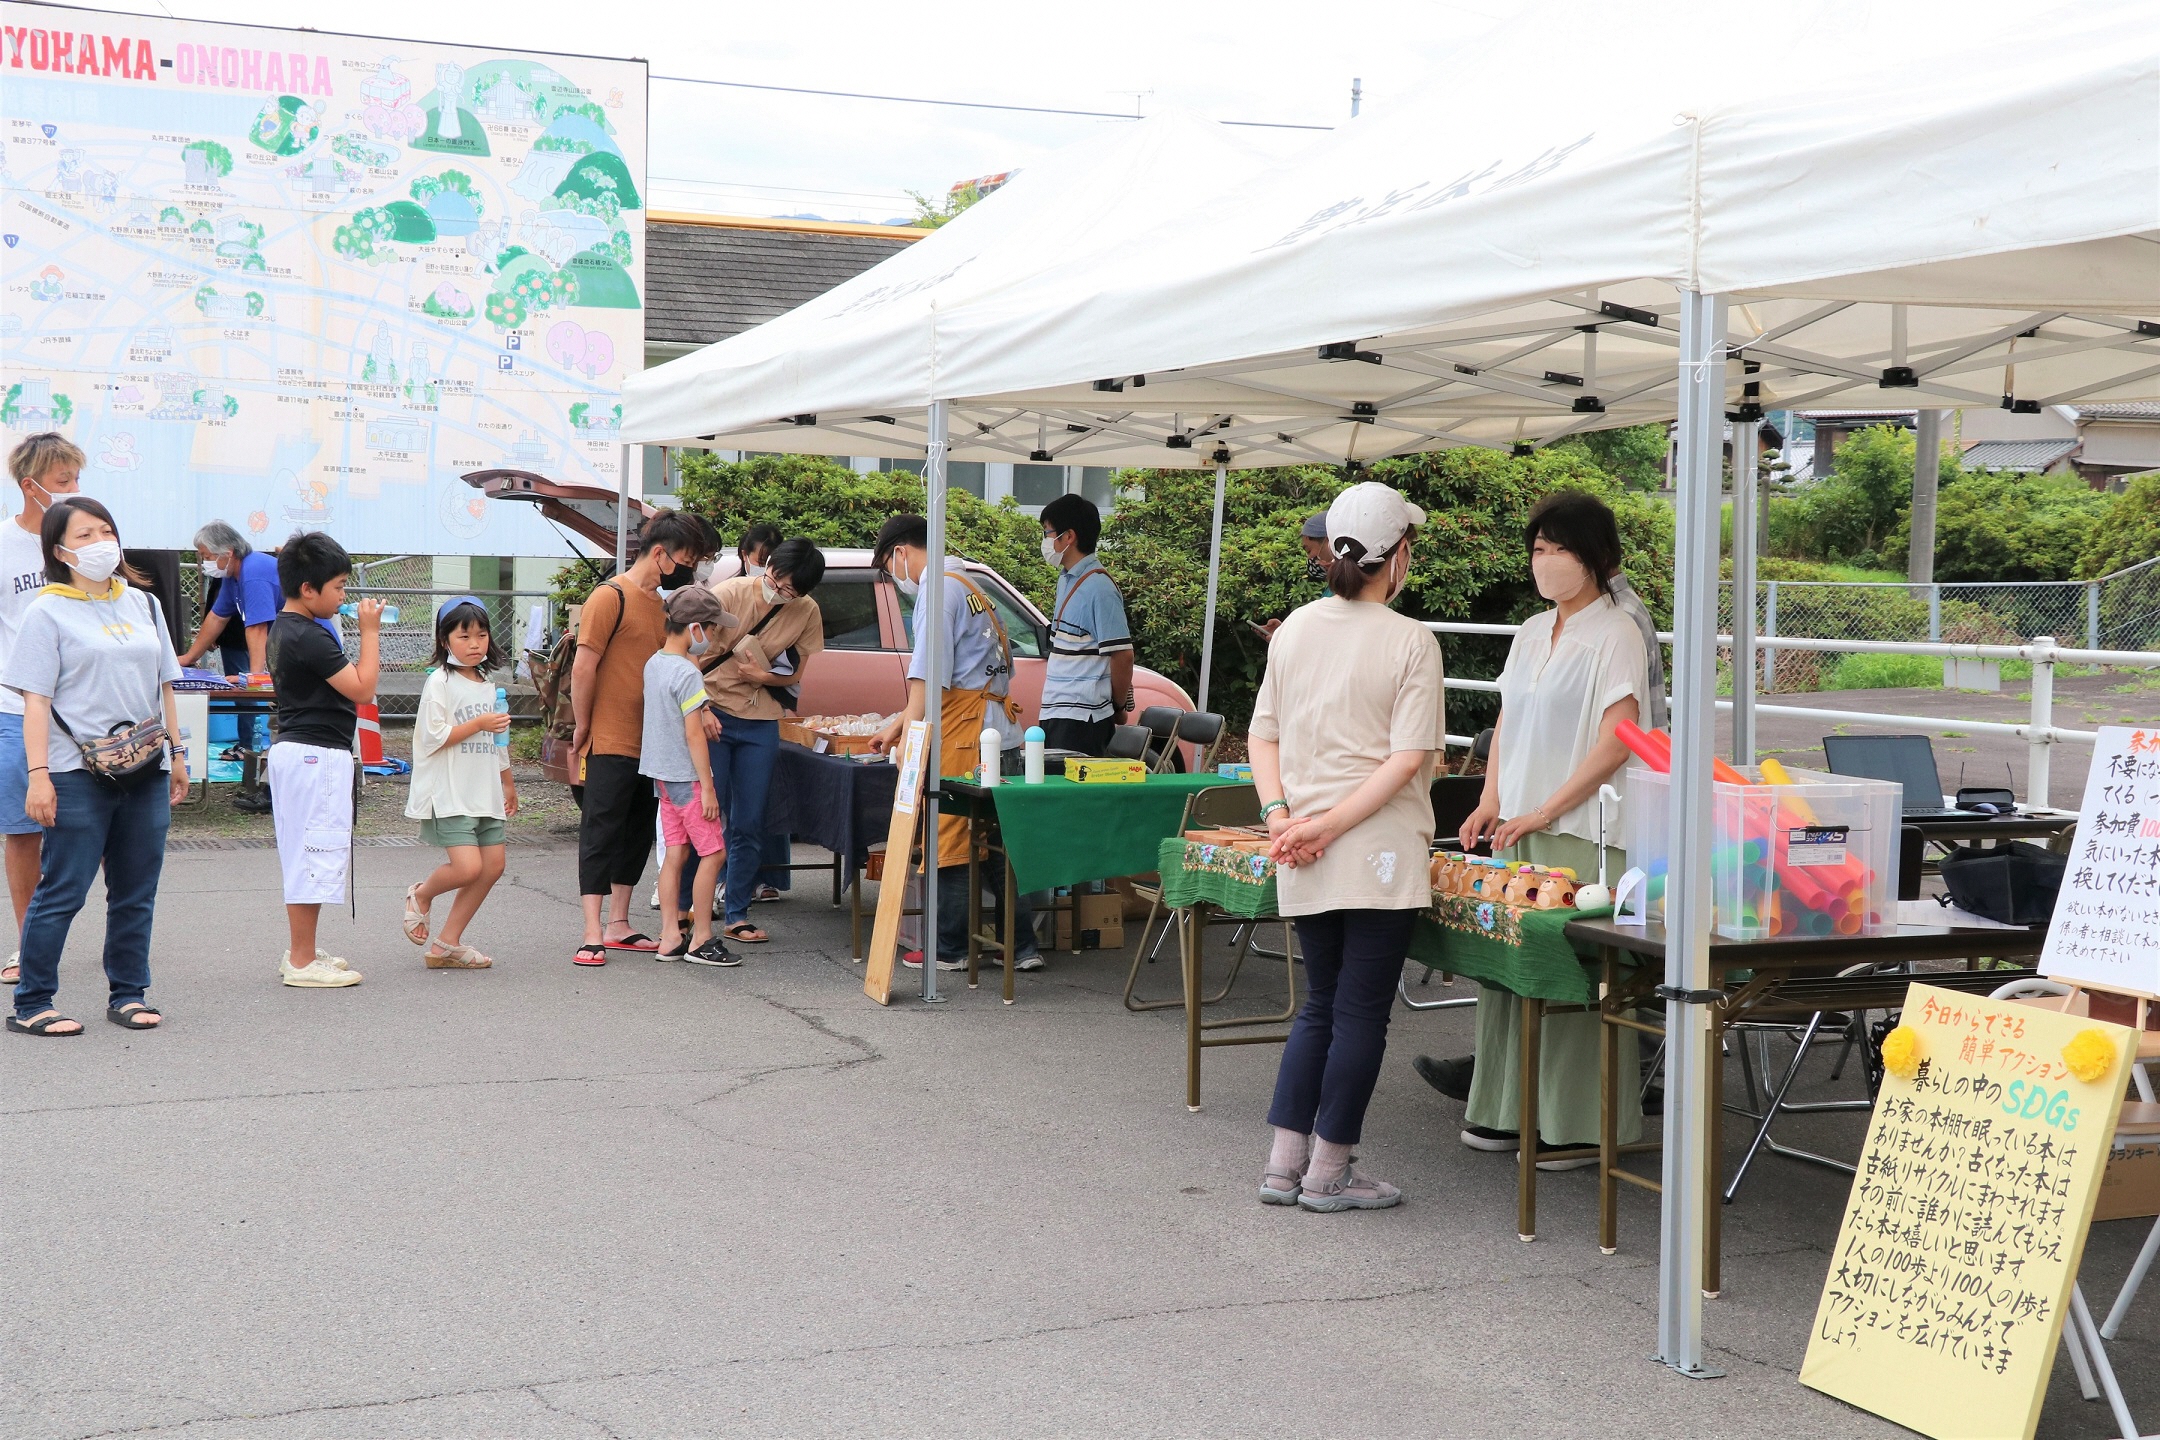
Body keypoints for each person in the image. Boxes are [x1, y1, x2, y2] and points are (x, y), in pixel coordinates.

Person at [1421, 490, 1651, 1170]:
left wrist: (1546, 809)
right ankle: (1502, 1108)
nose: (1543, 562)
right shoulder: (1529, 631)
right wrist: (1491, 799)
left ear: (1595, 556)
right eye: (1537, 549)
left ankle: (1576, 1123)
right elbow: (1510, 727)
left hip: (1581, 829)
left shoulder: (1618, 631)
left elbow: (1620, 739)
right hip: (1519, 826)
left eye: (1558, 549)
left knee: (1570, 979)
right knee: (1508, 971)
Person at [1249, 481, 1445, 1210]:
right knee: (1359, 1012)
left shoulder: (1296, 627)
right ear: (1395, 558)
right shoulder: (1411, 641)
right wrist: (1321, 825)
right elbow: (1405, 761)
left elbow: (1262, 732)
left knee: (1319, 1006)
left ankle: (1283, 1165)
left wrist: (1281, 817)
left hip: (1301, 843)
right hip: (1376, 848)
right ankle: (1328, 1171)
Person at [5, 497, 190, 1036]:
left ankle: (129, 993)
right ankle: (33, 1001)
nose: (99, 543)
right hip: (73, 771)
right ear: (59, 550)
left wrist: (176, 756)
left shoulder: (144, 605)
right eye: (84, 536)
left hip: (146, 767)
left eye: (105, 531)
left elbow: (164, 688)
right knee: (63, 888)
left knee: (136, 887)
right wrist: (38, 776)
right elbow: (34, 701)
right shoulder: (46, 610)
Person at [869, 515, 1042, 973]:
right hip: (997, 729)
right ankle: (1022, 945)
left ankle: (948, 946)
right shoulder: (966, 580)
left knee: (953, 838)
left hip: (965, 734)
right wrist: (898, 725)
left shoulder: (936, 588)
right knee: (1003, 839)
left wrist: (909, 732)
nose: (895, 578)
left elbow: (928, 673)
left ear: (901, 553)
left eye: (889, 567)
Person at [570, 510, 714, 967]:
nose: (689, 569)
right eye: (686, 559)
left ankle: (618, 923)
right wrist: (583, 725)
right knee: (601, 829)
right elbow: (584, 665)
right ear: (660, 554)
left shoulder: (662, 606)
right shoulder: (609, 596)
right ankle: (592, 930)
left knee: (636, 832)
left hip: (653, 745)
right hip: (610, 737)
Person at [268, 531, 382, 987]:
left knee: (309, 848)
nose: (343, 596)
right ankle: (300, 960)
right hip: (314, 754)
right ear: (308, 589)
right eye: (337, 586)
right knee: (312, 851)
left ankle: (304, 951)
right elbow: (363, 688)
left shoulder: (288, 627)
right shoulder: (309, 635)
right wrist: (370, 633)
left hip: (303, 752)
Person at [697, 537, 825, 946]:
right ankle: (690, 911)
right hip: (712, 712)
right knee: (709, 816)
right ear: (766, 565)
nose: (779, 591)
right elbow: (683, 652)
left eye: (790, 590)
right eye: (775, 579)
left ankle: (737, 913)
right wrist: (699, 709)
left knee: (750, 821)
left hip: (759, 720)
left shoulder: (806, 611)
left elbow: (795, 676)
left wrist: (763, 679)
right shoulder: (728, 593)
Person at [0, 432, 82, 987]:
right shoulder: (4, 544)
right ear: (31, 487)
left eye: (77, 479)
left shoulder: (82, 543)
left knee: (101, 835)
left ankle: (124, 944)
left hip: (84, 718)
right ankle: (29, 944)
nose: (74, 491)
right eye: (63, 482)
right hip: (14, 709)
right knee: (24, 830)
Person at [401, 597, 518, 970]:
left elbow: (498, 743)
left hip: (484, 790)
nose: (474, 643)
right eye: (464, 635)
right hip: (450, 791)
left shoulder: (488, 685)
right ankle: (421, 895)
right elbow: (432, 736)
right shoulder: (440, 682)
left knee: (493, 866)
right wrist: (479, 724)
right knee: (467, 868)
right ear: (445, 639)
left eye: (481, 635)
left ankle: (447, 944)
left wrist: (508, 783)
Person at [644, 585, 739, 966]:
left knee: (676, 854)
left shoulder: (654, 663)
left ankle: (670, 936)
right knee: (714, 854)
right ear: (695, 628)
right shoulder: (687, 673)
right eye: (712, 629)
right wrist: (709, 787)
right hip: (688, 777)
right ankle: (701, 937)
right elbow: (694, 732)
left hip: (663, 778)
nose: (714, 637)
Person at [1036, 494, 1134, 756]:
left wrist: (1118, 706)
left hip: (1083, 716)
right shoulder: (1066, 579)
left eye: (1048, 533)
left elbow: (1122, 655)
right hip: (1057, 710)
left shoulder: (1099, 587)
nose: (1046, 540)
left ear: (1069, 536)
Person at [176, 520, 279, 675]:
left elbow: (257, 628)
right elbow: (217, 618)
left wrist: (254, 678)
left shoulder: (253, 573)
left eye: (208, 557)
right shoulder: (232, 576)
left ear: (228, 553)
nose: (206, 562)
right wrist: (189, 658)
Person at [1258, 512, 1333, 643]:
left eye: (1308, 550)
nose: (1310, 558)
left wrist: (1286, 640)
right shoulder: (1333, 589)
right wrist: (1285, 633)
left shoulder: (1351, 590)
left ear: (1329, 542)